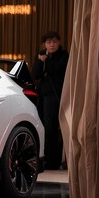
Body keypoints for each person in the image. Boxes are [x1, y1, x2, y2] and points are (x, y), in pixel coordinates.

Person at [32, 30, 69, 170]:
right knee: (43, 127)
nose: (51, 44)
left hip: (56, 95)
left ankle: (53, 161)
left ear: (59, 42)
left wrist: (46, 61)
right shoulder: (41, 54)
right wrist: (40, 62)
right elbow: (35, 74)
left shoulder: (64, 55)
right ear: (44, 44)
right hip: (42, 96)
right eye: (48, 42)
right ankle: (43, 158)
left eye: (54, 41)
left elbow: (59, 71)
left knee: (52, 128)